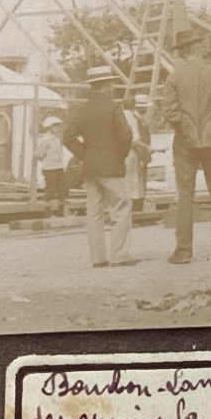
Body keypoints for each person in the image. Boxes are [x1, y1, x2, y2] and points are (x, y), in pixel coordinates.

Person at [158, 27, 211, 264]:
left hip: (185, 144)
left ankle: (183, 251)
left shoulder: (174, 78)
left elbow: (169, 111)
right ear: (198, 49)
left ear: (183, 52)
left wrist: (188, 129)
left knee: (185, 196)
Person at [63, 66, 137, 268]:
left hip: (90, 167)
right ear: (107, 85)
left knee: (94, 211)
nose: (113, 86)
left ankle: (98, 258)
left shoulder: (81, 110)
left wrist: (84, 154)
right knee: (120, 206)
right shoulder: (114, 107)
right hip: (110, 165)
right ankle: (119, 255)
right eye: (111, 83)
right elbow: (126, 135)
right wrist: (119, 154)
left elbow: (67, 137)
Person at [121, 93, 153, 214]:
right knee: (135, 182)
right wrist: (145, 149)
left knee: (139, 182)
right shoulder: (132, 118)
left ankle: (139, 210)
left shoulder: (139, 118)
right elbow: (135, 138)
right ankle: (136, 211)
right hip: (136, 151)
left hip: (141, 152)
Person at [35, 114, 68, 217]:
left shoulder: (56, 138)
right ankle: (48, 213)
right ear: (49, 127)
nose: (57, 128)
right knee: (51, 190)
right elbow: (38, 154)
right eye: (55, 126)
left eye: (58, 126)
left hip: (59, 167)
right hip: (49, 168)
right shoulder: (46, 139)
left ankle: (60, 211)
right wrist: (47, 161)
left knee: (62, 189)